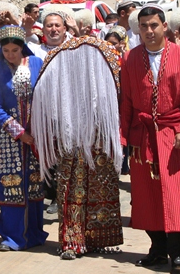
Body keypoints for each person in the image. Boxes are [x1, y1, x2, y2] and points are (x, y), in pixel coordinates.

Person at [121, 7, 180, 274]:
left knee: (176, 192)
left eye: (154, 25)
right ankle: (157, 249)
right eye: (143, 26)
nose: (149, 30)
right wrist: (124, 136)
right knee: (146, 194)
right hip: (141, 136)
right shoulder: (131, 58)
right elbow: (127, 102)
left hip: (172, 134)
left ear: (165, 26)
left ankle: (178, 252)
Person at [31, 35, 124, 260]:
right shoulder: (96, 52)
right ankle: (74, 240)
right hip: (74, 135)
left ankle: (86, 240)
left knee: (83, 187)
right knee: (73, 188)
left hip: (88, 134)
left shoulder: (59, 57)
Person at [0, 26, 48, 251]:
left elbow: (44, 95)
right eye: (6, 50)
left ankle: (34, 234)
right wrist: (19, 133)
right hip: (7, 135)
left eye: (15, 50)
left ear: (23, 48)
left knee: (33, 184)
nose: (10, 54)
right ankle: (12, 237)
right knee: (10, 183)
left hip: (35, 132)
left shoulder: (36, 64)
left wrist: (38, 130)